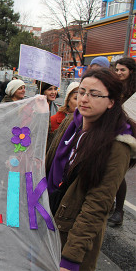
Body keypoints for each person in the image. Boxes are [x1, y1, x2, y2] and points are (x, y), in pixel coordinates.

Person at [46, 68, 136, 271]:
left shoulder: (117, 145)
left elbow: (96, 207)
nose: (85, 99)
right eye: (82, 92)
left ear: (111, 102)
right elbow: (48, 163)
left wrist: (70, 259)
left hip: (70, 237)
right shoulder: (72, 121)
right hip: (47, 220)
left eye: (94, 94)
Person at [108, 57, 136, 227]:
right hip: (112, 132)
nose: (118, 73)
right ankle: (109, 203)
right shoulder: (115, 87)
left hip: (129, 137)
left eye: (122, 70)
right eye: (117, 70)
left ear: (131, 71)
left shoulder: (133, 92)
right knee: (109, 170)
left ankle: (119, 211)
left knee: (119, 172)